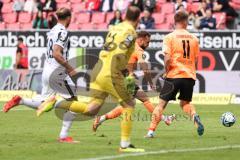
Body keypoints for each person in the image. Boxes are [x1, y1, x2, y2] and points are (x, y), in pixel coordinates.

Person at [37, 6, 145, 152]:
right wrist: (123, 72)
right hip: (111, 72)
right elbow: (119, 52)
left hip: (98, 70)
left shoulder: (115, 27)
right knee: (129, 104)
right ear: (138, 19)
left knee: (91, 109)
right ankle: (124, 145)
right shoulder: (131, 32)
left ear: (125, 15)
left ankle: (58, 101)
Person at [3, 8, 78, 143]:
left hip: (47, 71)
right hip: (57, 73)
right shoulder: (62, 32)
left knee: (43, 101)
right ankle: (63, 135)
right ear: (68, 18)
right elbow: (56, 53)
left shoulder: (53, 30)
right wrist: (71, 69)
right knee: (73, 102)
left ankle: (21, 100)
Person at [92, 31, 176, 132]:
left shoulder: (127, 46)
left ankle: (165, 119)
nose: (148, 45)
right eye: (147, 42)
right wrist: (150, 82)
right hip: (126, 79)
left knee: (138, 101)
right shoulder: (139, 50)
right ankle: (102, 119)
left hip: (117, 77)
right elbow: (144, 68)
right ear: (141, 39)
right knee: (134, 104)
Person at [145, 11, 204, 138]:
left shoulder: (169, 37)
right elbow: (196, 60)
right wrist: (192, 73)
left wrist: (167, 72)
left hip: (174, 75)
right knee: (185, 103)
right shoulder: (194, 39)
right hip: (189, 76)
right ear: (185, 21)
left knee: (161, 105)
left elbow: (167, 59)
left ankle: (150, 132)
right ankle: (194, 116)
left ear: (175, 21)